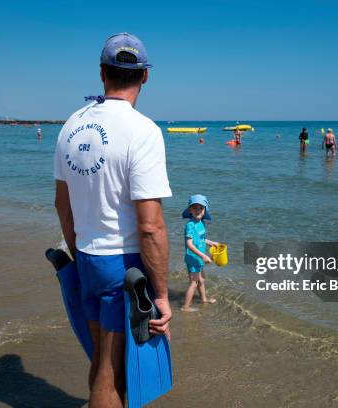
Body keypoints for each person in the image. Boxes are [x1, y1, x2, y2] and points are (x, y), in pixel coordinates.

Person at [53, 32, 172, 408]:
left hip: (88, 257)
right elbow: (150, 226)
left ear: (102, 73)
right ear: (145, 77)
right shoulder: (144, 131)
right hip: (124, 268)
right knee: (112, 370)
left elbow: (62, 205)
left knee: (102, 358)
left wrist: (81, 252)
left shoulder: (72, 125)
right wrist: (164, 296)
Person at [181, 195, 220, 312]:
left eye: (200, 208)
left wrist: (211, 243)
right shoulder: (190, 225)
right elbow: (189, 244)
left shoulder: (202, 223)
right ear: (190, 210)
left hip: (199, 258)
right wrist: (203, 256)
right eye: (194, 208)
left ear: (205, 210)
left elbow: (201, 239)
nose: (198, 211)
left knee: (202, 280)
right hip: (193, 258)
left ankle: (204, 299)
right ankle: (185, 307)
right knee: (194, 282)